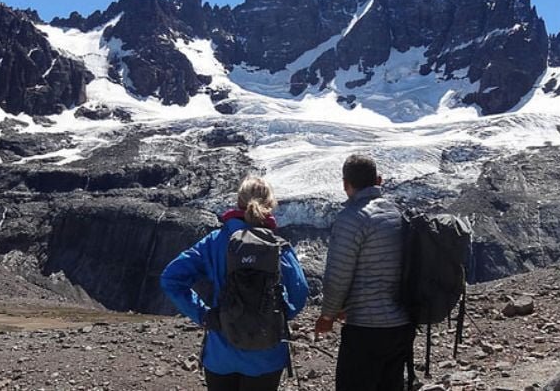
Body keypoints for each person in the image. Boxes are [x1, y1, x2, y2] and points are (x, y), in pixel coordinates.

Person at [161, 176, 308, 391]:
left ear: (238, 202)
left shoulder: (214, 241)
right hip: (266, 356)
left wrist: (203, 315)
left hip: (221, 354)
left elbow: (171, 278)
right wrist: (274, 317)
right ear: (270, 205)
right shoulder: (278, 246)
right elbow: (300, 292)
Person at [314, 154, 413, 391]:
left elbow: (339, 274)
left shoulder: (352, 217)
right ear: (379, 180)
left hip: (366, 329)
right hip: (401, 325)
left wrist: (328, 316)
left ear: (345, 184)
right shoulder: (396, 214)